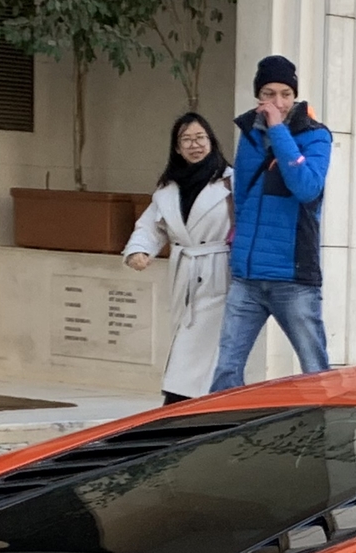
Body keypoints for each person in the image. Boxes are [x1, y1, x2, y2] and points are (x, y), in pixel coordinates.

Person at [209, 54, 332, 390]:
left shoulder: (315, 136)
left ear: (294, 97)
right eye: (268, 93)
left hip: (292, 277)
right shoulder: (249, 134)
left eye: (285, 94)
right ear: (258, 97)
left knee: (315, 370)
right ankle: (221, 433)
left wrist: (278, 130)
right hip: (247, 278)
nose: (277, 102)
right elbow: (245, 198)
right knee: (225, 370)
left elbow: (307, 188)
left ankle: (326, 432)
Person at [123, 111, 233, 403]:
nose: (194, 145)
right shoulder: (168, 189)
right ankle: (190, 405)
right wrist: (138, 250)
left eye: (200, 138)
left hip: (220, 273)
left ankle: (177, 404)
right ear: (177, 147)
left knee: (197, 350)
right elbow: (152, 226)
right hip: (185, 275)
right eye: (186, 140)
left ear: (211, 141)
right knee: (189, 345)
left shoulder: (230, 182)